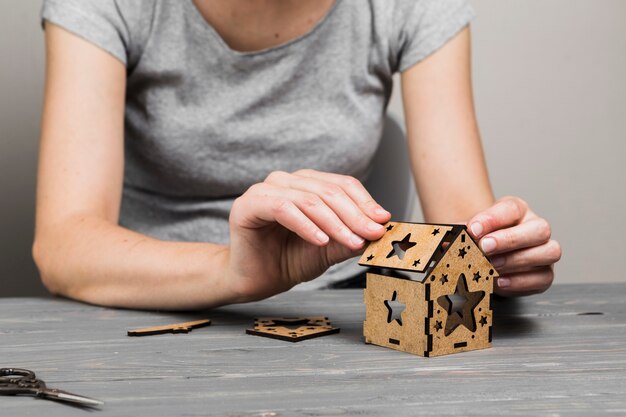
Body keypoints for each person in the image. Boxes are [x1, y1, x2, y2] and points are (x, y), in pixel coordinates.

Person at [33, 0, 561, 310]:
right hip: (149, 299)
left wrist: (493, 255)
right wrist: (233, 269)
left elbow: (464, 229)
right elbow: (63, 247)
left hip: (344, 309)